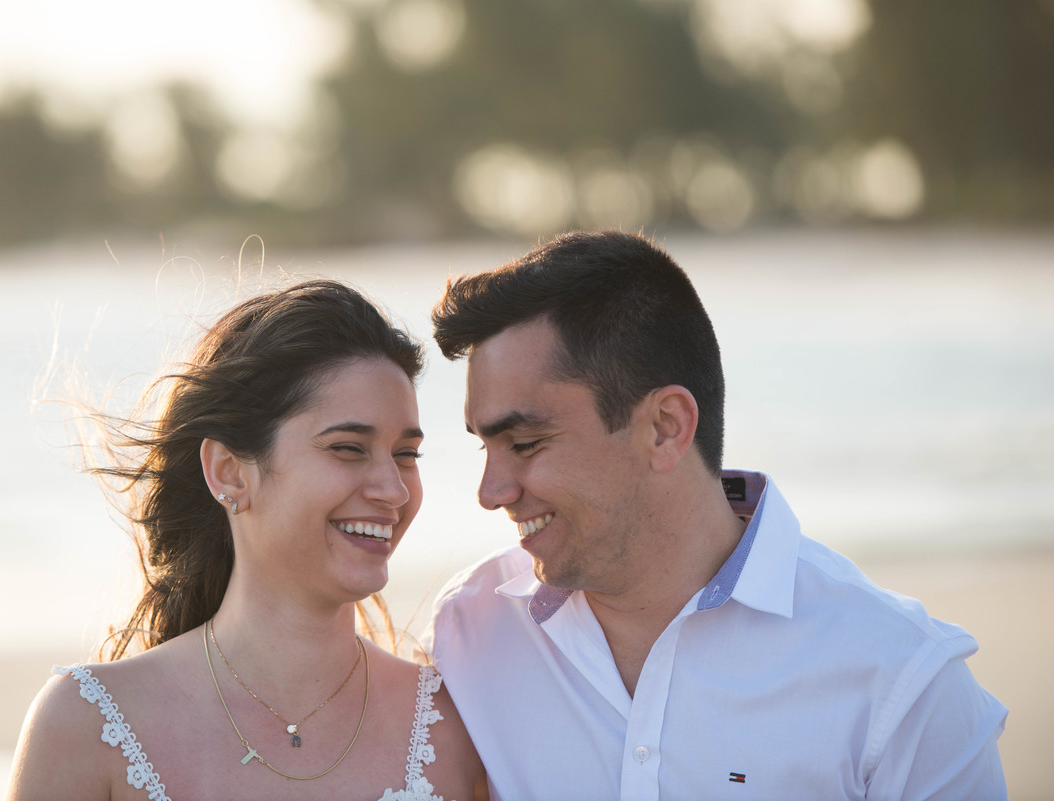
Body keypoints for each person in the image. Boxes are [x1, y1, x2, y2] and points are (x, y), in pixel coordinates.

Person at [423, 231, 1008, 800]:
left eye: (524, 444)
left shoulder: (903, 684)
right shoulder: (466, 634)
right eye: (484, 446)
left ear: (665, 427)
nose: (490, 492)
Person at [8, 279, 483, 801]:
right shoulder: (87, 726)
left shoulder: (451, 726)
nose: (393, 490)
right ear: (230, 472)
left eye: (406, 455)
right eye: (349, 448)